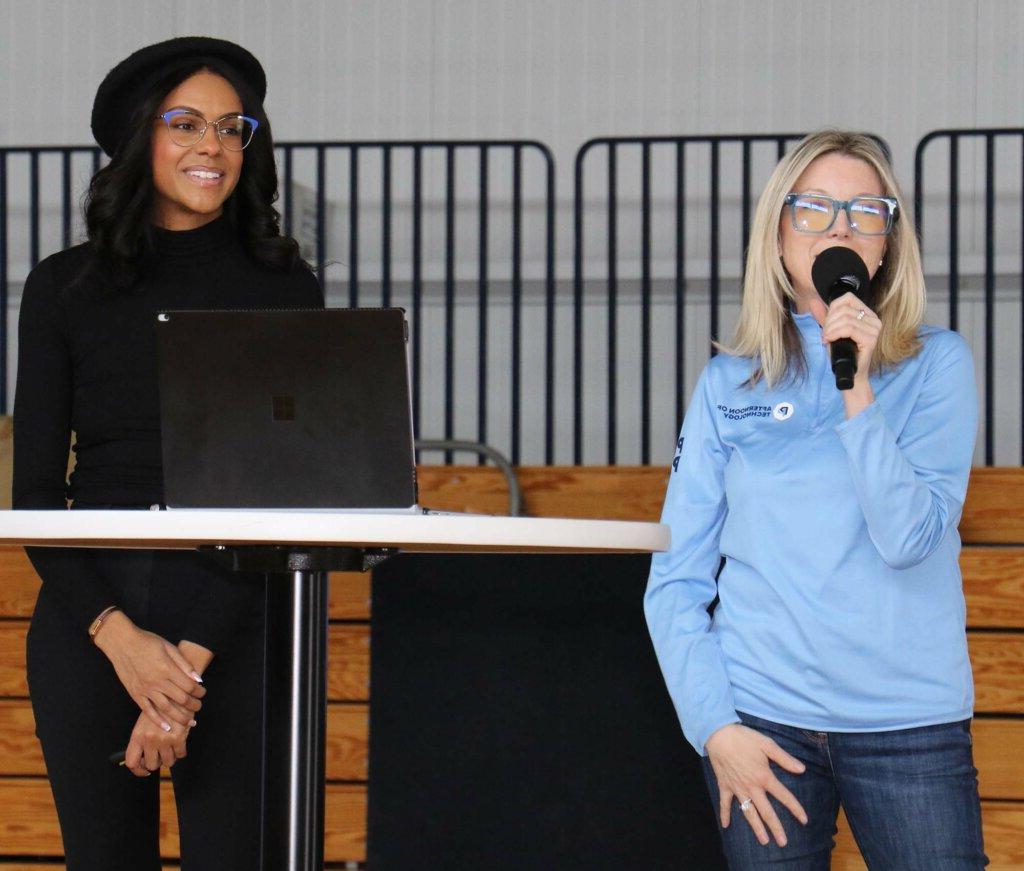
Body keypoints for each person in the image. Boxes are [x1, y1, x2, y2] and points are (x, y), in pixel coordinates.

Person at [13, 37, 322, 870]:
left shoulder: (285, 286)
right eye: (185, 122)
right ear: (139, 137)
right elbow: (36, 495)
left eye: (232, 127)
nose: (211, 146)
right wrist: (123, 642)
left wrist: (184, 667)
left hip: (240, 619)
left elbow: (285, 492)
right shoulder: (62, 287)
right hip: (92, 621)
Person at [645, 130, 987, 869]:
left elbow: (907, 538)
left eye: (867, 209)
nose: (840, 226)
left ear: (889, 241)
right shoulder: (727, 384)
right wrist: (715, 727)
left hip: (909, 728)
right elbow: (674, 579)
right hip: (763, 725)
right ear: (777, 232)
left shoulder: (939, 366)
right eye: (816, 208)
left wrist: (856, 384)